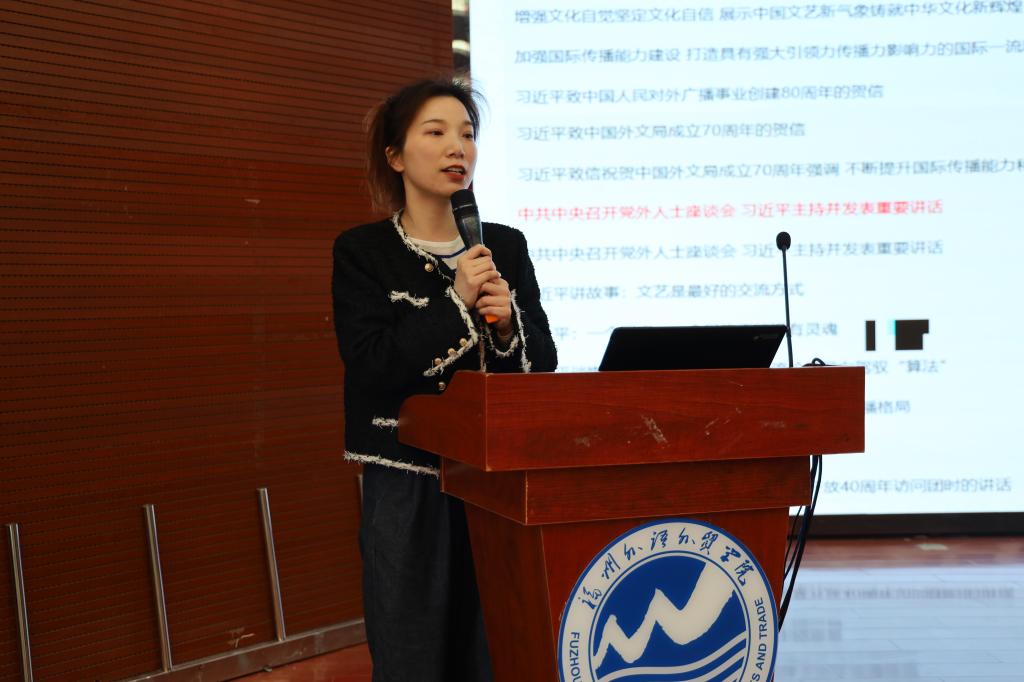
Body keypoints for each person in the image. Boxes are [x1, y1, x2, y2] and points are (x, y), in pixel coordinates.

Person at [331, 78, 558, 682]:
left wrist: (507, 326)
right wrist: (456, 303)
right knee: (412, 652)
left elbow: (544, 363)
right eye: (436, 133)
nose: (458, 147)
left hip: (497, 483)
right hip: (406, 482)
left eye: (467, 134)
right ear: (396, 156)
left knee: (497, 649)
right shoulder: (363, 252)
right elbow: (372, 365)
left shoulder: (504, 246)